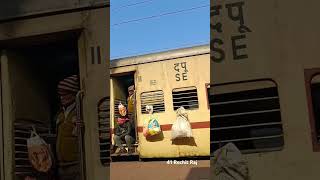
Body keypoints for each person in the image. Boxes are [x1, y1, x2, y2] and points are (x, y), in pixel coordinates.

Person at [55, 75, 82, 180]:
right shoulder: (61, 114)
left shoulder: (80, 110)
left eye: (65, 94)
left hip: (76, 164)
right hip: (62, 165)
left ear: (73, 94)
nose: (62, 97)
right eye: (60, 95)